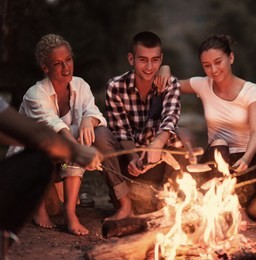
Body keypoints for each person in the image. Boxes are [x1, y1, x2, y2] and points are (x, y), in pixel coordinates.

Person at [163, 34, 256, 221]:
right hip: (216, 162)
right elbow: (170, 84)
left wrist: (247, 158)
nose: (213, 70)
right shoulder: (202, 84)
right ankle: (237, 210)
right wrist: (165, 67)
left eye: (218, 62)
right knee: (220, 142)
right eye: (207, 65)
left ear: (231, 58)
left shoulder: (250, 90)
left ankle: (232, 202)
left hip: (243, 163)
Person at [7, 34, 111, 236]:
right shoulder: (35, 94)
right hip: (32, 155)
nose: (66, 68)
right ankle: (40, 209)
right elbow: (53, 127)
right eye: (57, 64)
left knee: (83, 136)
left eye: (68, 60)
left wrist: (89, 120)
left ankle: (70, 213)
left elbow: (94, 112)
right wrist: (79, 151)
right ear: (45, 68)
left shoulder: (80, 85)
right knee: (58, 143)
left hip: (60, 158)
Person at [0, 95, 102, 257]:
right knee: (39, 162)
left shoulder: (80, 88)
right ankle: (3, 240)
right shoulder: (36, 93)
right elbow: (38, 135)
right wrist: (75, 151)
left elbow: (13, 134)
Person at [105, 31, 188, 215]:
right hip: (129, 164)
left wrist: (157, 142)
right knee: (102, 135)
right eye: (143, 60)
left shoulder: (170, 83)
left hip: (158, 163)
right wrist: (133, 157)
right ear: (131, 58)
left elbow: (170, 118)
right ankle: (125, 200)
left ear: (161, 59)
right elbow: (121, 131)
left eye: (155, 60)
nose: (150, 67)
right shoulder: (116, 87)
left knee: (183, 135)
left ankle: (168, 200)